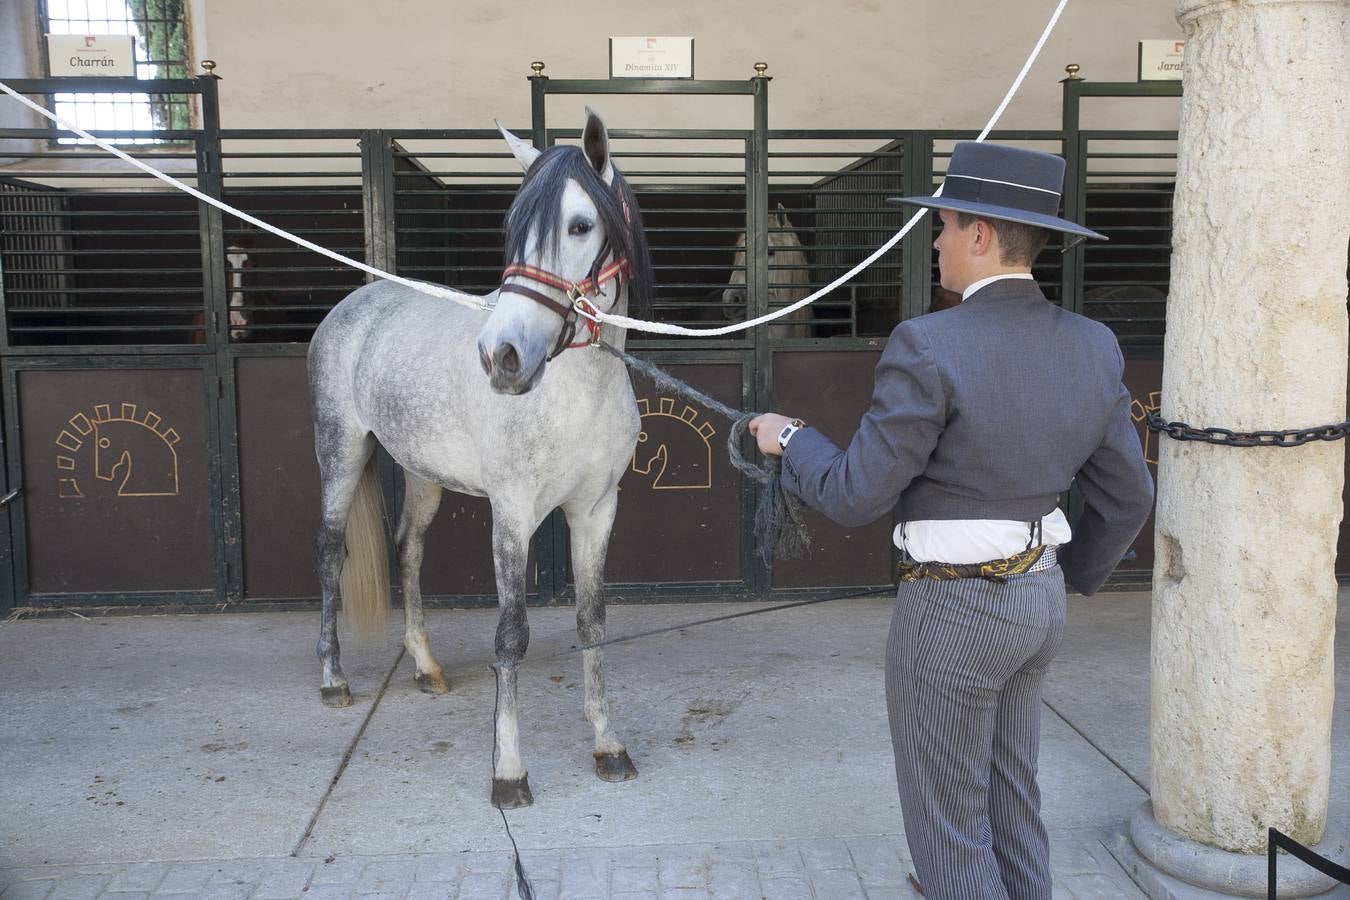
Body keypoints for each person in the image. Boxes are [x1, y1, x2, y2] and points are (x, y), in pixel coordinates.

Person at [749, 141, 1155, 900]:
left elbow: (854, 494)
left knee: (949, 833)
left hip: (954, 611)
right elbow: (1128, 494)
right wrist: (1063, 577)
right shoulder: (1091, 344)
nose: (934, 241)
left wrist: (792, 439)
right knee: (1012, 804)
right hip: (1039, 604)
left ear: (978, 235)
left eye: (941, 226)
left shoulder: (928, 344)